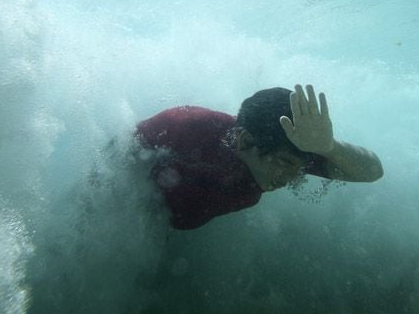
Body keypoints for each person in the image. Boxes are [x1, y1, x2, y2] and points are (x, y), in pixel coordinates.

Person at [133, 84, 383, 230]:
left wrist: (329, 147)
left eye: (300, 167)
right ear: (246, 142)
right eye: (285, 164)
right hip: (139, 217)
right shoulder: (188, 126)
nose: (292, 177)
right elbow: (120, 155)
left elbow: (372, 171)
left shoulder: (295, 147)